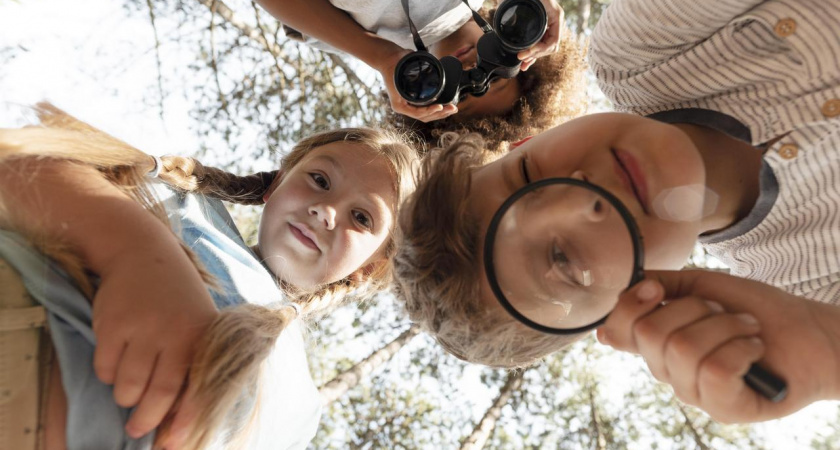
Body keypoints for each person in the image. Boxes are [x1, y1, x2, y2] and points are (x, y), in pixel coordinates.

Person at [393, 0, 840, 424]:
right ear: (624, 304)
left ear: (526, 143)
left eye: (528, 175)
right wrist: (826, 345)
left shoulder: (639, 55)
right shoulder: (811, 291)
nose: (581, 200)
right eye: (563, 259)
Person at [0, 103, 417, 449]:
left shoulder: (304, 406)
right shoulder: (186, 204)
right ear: (275, 185)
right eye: (319, 180)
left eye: (361, 218)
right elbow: (16, 160)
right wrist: (136, 251)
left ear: (370, 269)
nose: (326, 210)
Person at [256, 0, 588, 152]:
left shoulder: (358, 38)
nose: (473, 69)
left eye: (466, 92)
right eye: (496, 77)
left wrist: (382, 57)